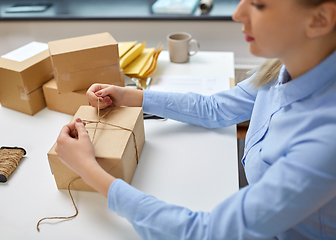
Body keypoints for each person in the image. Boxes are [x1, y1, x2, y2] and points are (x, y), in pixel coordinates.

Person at [55, 0, 336, 239]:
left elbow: (203, 233)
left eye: (259, 4)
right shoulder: (285, 66)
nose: (237, 14)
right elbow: (215, 108)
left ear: (321, 19)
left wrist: (87, 168)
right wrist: (130, 96)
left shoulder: (326, 138)